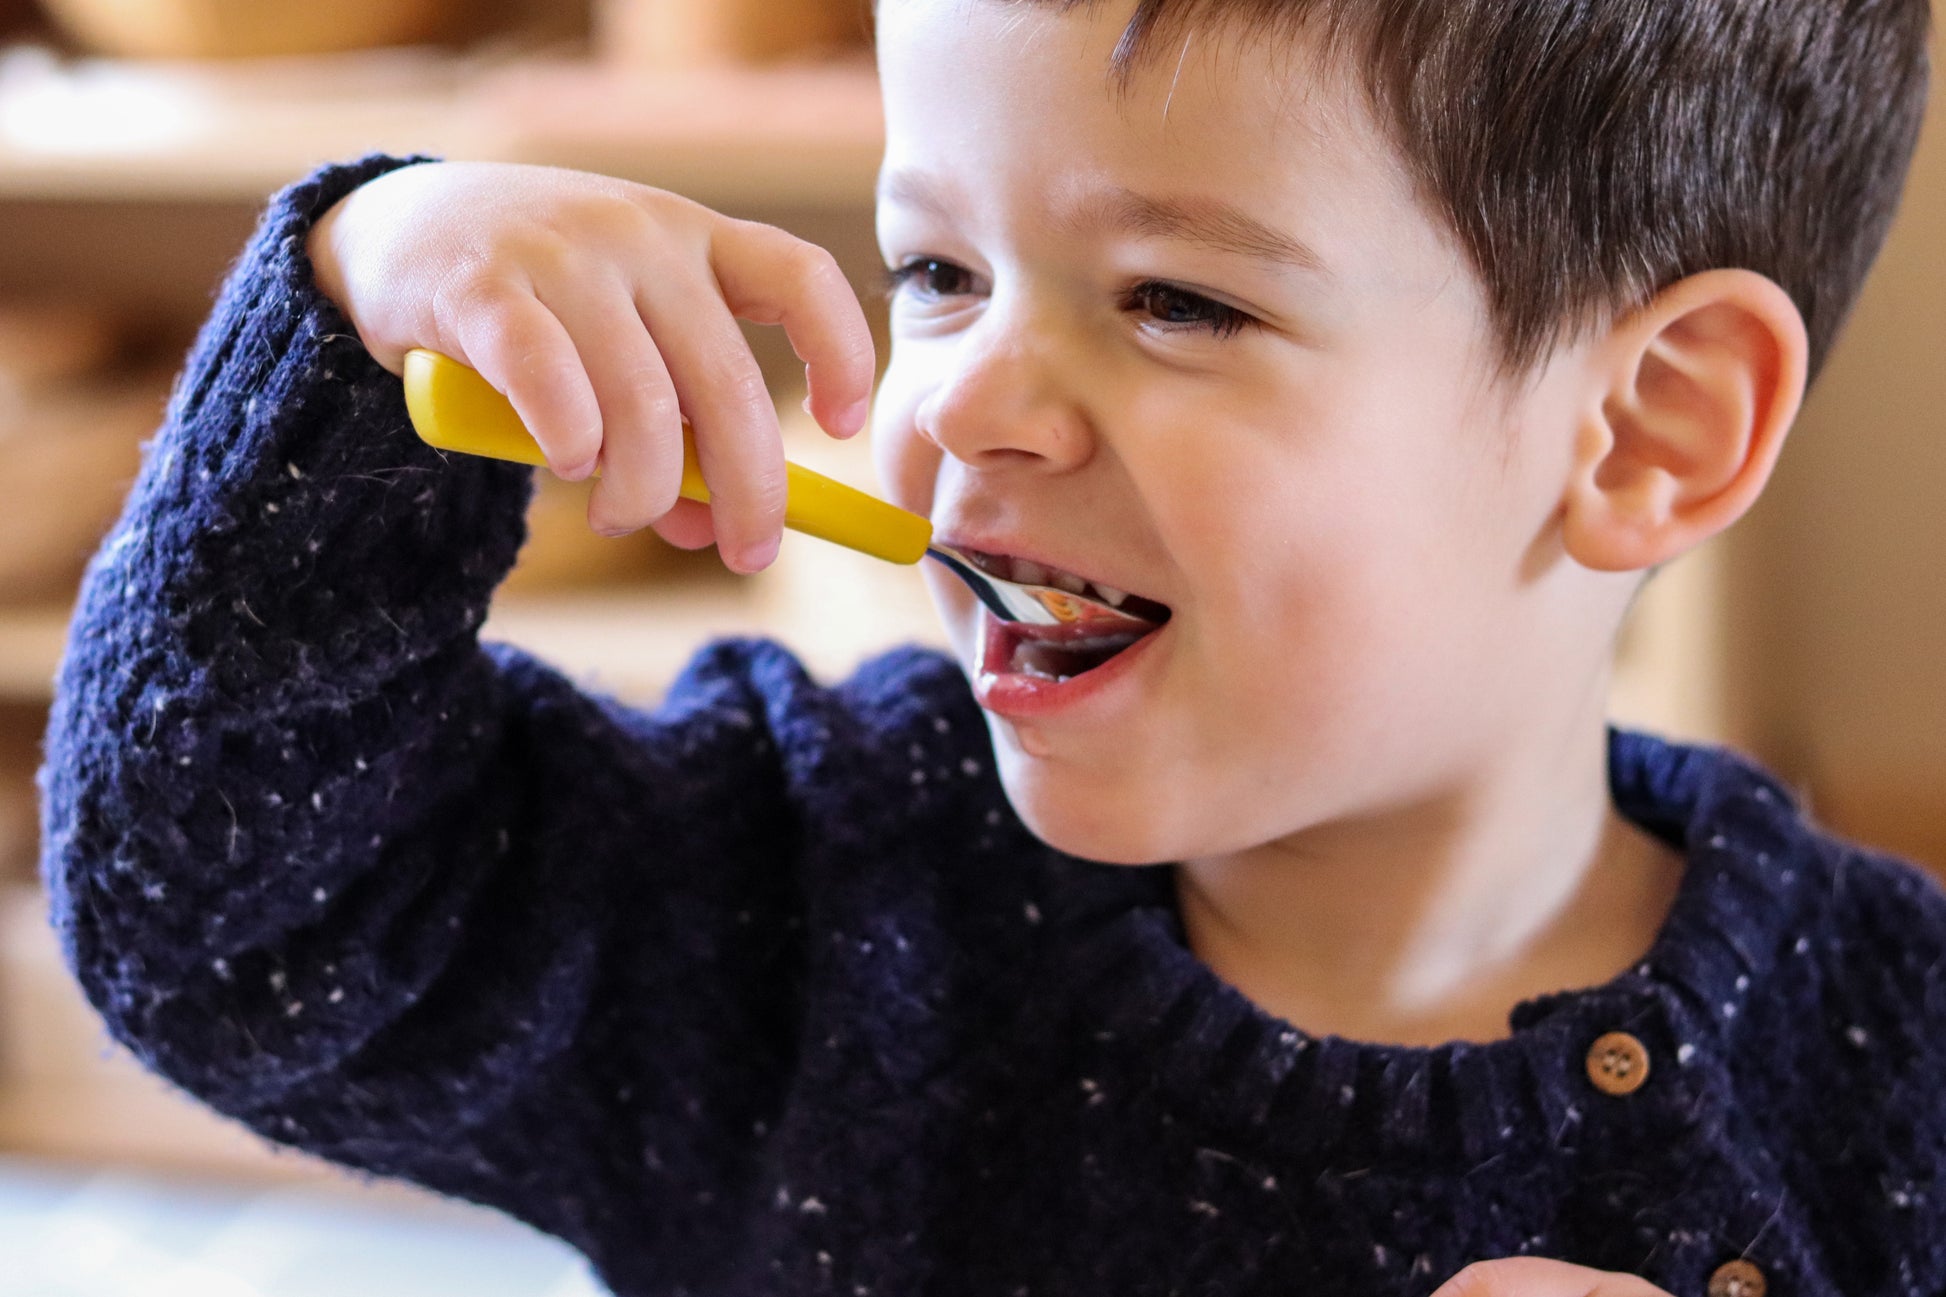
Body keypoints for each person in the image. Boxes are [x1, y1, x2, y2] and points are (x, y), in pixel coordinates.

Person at [37, 0, 1939, 1293]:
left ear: (1646, 428)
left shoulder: (1896, 1062)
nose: (972, 405)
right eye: (938, 269)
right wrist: (360, 297)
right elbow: (220, 924)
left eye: (1178, 299)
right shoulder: (802, 889)